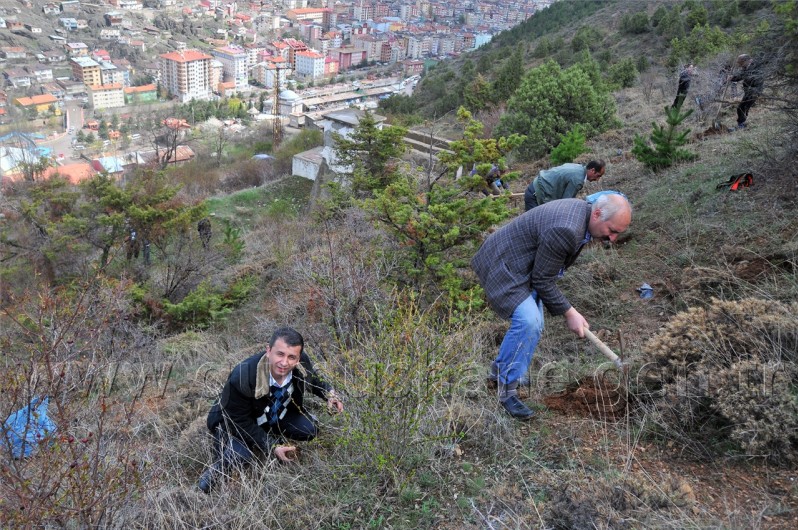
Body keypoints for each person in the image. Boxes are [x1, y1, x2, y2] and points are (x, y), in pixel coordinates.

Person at [471, 194, 632, 419]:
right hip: (504, 264)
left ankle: (502, 371)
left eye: (617, 233)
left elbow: (544, 274)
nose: (613, 238)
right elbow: (542, 280)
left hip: (521, 263)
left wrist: (567, 310)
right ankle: (506, 389)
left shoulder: (583, 214)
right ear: (597, 214)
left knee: (535, 323)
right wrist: (570, 312)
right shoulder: (566, 229)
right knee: (529, 321)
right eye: (612, 230)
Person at [198, 327, 343, 493]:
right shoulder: (243, 376)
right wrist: (271, 446)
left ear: (298, 358)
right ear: (269, 351)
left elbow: (313, 380)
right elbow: (237, 420)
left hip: (273, 414)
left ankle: (269, 436)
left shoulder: (301, 362)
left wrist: (329, 394)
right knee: (239, 456)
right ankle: (213, 474)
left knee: (309, 429)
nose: (284, 362)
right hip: (235, 422)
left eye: (292, 357)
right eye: (280, 354)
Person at [524, 160, 605, 212]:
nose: (597, 179)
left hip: (535, 187)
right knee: (534, 225)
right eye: (598, 176)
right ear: (592, 170)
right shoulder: (577, 179)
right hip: (535, 195)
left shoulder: (578, 167)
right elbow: (565, 204)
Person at [727, 54, 763, 130]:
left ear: (746, 61)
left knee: (743, 107)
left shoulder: (756, 67)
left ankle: (741, 125)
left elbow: (756, 80)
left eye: (741, 63)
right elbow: (740, 75)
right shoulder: (746, 67)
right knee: (741, 108)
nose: (740, 65)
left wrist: (754, 91)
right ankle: (741, 124)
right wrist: (732, 78)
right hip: (748, 91)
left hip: (754, 91)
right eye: (739, 63)